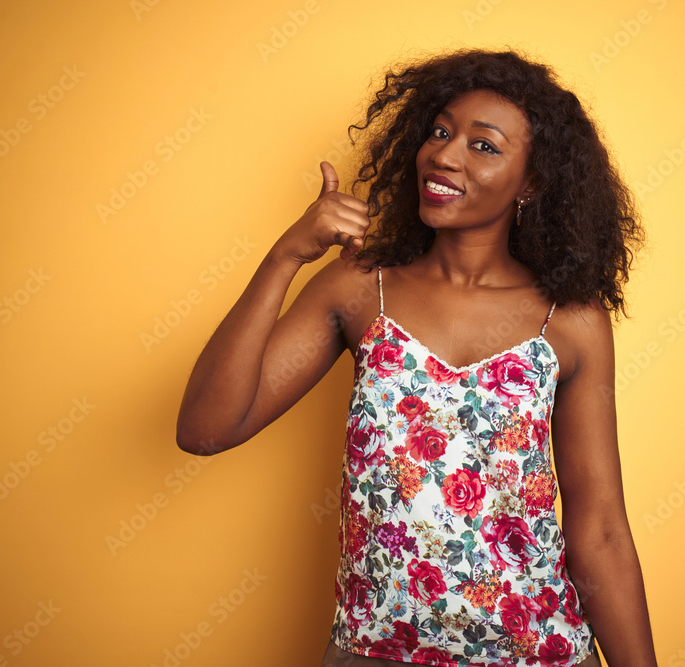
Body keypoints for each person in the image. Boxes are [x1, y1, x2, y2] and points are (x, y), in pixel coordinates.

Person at [176, 47, 657, 666]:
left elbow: (602, 532)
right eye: (439, 131)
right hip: (374, 653)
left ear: (532, 182)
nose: (444, 154)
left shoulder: (569, 320)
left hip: (541, 654)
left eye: (483, 146)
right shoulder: (359, 287)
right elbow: (205, 430)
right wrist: (287, 257)